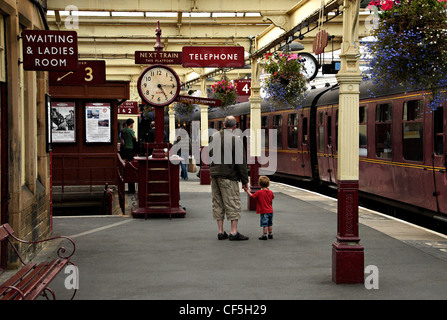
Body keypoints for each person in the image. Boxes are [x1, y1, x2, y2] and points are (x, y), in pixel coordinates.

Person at [209, 115, 249, 241]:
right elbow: (241, 162)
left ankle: (221, 232)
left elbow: (210, 153)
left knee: (217, 203)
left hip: (214, 175)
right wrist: (244, 181)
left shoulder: (213, 137)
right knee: (232, 202)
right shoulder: (235, 140)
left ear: (224, 124)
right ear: (235, 126)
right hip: (228, 176)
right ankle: (233, 232)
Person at [245, 176, 275, 240]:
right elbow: (272, 197)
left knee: (265, 224)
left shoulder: (259, 192)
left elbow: (252, 196)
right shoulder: (270, 192)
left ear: (260, 184)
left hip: (264, 211)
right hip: (270, 211)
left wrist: (247, 191)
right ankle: (270, 234)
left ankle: (264, 235)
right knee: (270, 224)